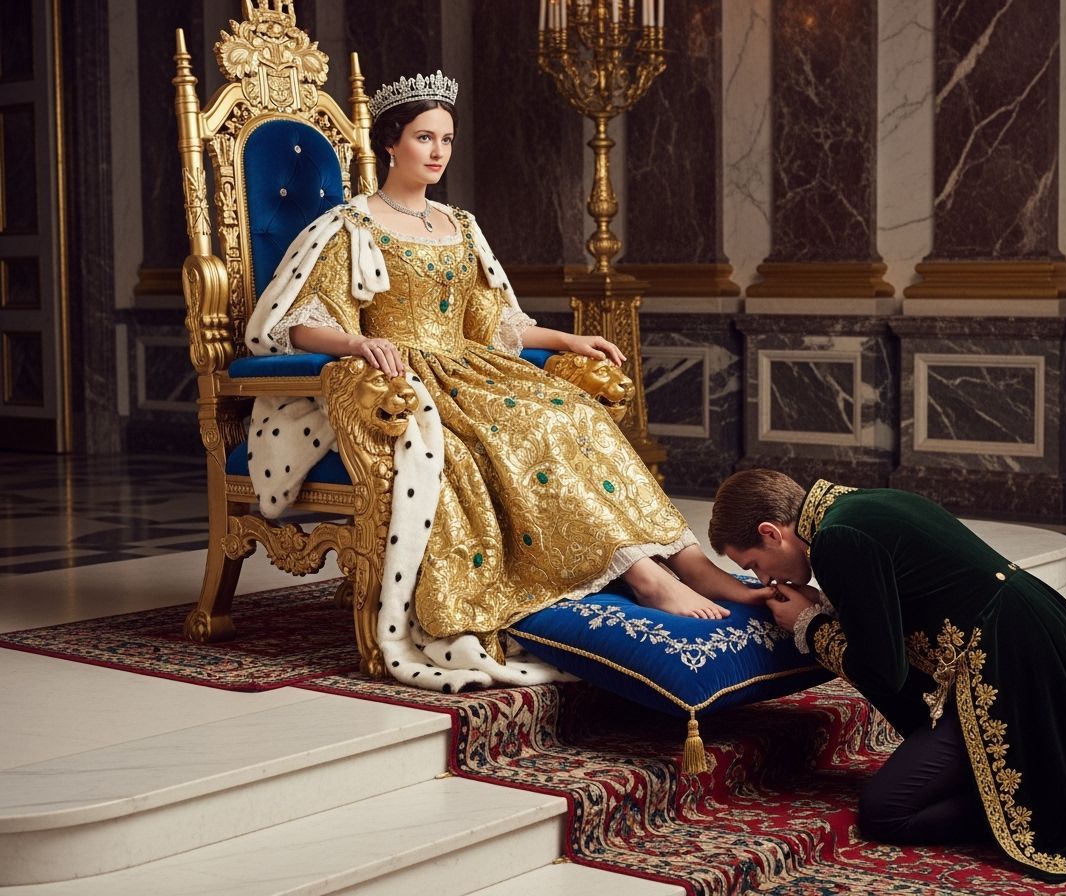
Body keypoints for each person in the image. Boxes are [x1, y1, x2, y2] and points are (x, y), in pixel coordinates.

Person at [243, 71, 761, 691]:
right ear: (390, 143)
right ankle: (645, 578)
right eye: (423, 137)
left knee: (572, 411)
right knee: (521, 429)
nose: (438, 151)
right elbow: (301, 322)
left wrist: (567, 339)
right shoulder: (352, 226)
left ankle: (687, 561)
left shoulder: (460, 225)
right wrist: (357, 342)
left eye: (446, 139)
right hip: (404, 377)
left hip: (470, 365)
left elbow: (494, 325)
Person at [707, 470, 1066, 882]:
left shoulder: (838, 539)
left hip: (1009, 664)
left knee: (887, 812)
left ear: (771, 532)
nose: (762, 578)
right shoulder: (857, 506)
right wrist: (827, 610)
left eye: (753, 563)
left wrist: (810, 625)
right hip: (1035, 635)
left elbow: (884, 672)